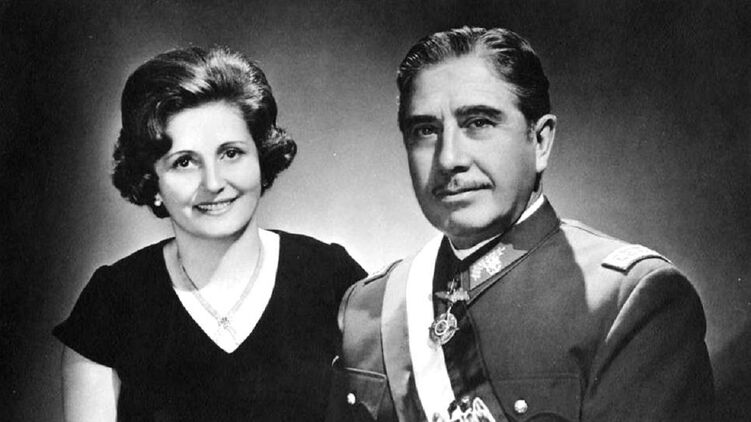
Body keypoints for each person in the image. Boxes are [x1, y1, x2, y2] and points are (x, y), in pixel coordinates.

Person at [328, 27, 714, 422]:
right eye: (425, 130)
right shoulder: (368, 309)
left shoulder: (627, 300)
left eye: (479, 122)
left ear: (540, 141)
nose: (448, 159)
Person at [54, 46, 366, 421]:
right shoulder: (113, 302)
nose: (213, 183)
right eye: (185, 162)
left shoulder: (330, 277)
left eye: (230, 153)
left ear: (261, 157)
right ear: (151, 180)